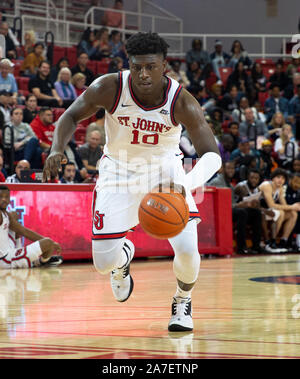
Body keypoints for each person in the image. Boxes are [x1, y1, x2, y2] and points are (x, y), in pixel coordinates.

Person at [43, 32, 221, 332]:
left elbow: (212, 156)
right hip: (117, 173)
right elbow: (71, 116)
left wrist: (186, 184)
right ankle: (123, 258)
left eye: (150, 66)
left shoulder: (182, 101)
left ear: (164, 66)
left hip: (164, 174)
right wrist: (57, 149)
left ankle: (183, 300)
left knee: (189, 251)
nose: (143, 74)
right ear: (129, 65)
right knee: (102, 264)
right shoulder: (110, 87)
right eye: (137, 67)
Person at [0, 185, 63, 268]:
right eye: (0, 197)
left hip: (9, 250)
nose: (4, 199)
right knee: (48, 243)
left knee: (14, 215)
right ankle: (40, 262)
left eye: (7, 197)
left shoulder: (6, 214)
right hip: (5, 259)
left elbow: (24, 231)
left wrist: (52, 243)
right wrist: (50, 243)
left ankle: (19, 249)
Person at [208, 161, 262, 254]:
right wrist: (239, 205)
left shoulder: (230, 184)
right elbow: (221, 205)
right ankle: (241, 247)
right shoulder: (217, 182)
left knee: (255, 213)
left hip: (228, 210)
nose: (231, 170)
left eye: (232, 168)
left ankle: (256, 246)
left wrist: (244, 203)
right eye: (228, 168)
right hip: (216, 212)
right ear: (223, 169)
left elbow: (232, 203)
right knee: (242, 212)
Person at [259, 168, 300, 252]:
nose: (280, 180)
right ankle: (271, 242)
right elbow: (271, 205)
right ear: (273, 178)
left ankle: (283, 241)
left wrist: (293, 207)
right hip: (258, 211)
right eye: (278, 177)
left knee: (293, 214)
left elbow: (284, 205)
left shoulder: (280, 188)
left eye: (283, 178)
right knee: (280, 213)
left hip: (269, 212)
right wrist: (292, 206)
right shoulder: (266, 185)